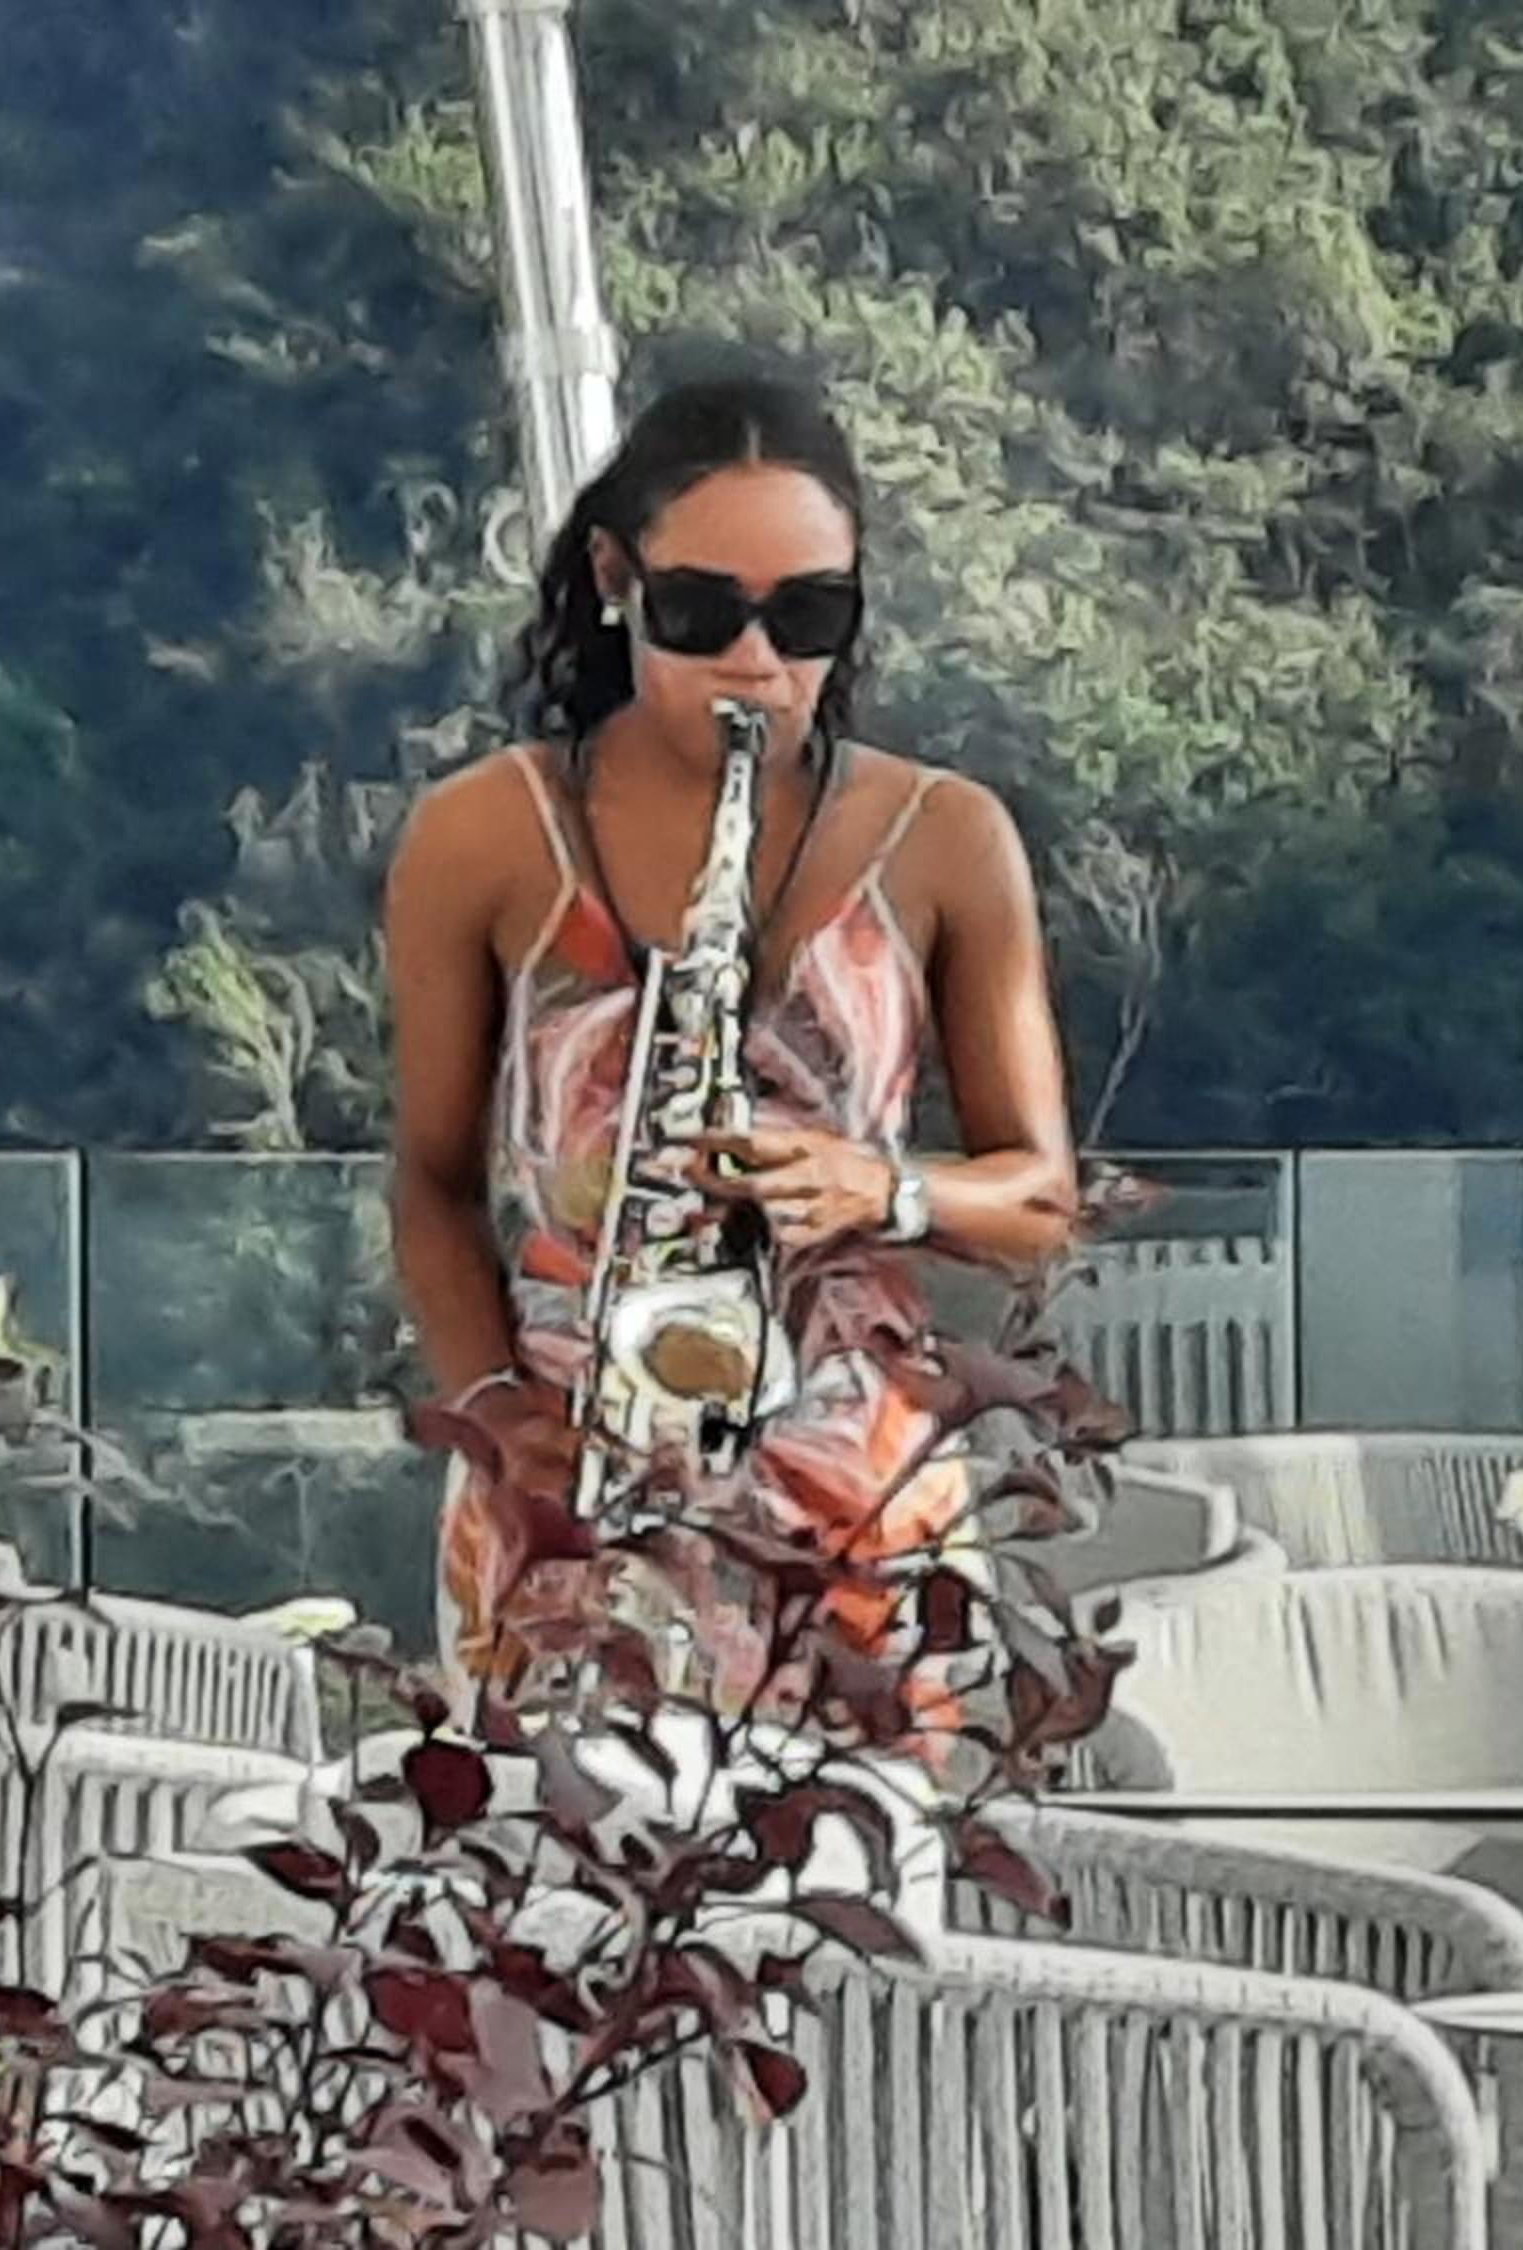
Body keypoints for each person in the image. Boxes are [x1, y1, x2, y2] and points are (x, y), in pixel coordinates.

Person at [384, 372, 1078, 1713]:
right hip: (568, 1497)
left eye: (809, 617)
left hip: (857, 1504)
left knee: (879, 1853)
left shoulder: (949, 837)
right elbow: (429, 1181)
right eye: (702, 613)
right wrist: (494, 1409)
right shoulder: (478, 836)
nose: (758, 662)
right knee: (556, 1850)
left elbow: (1042, 1202)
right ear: (614, 580)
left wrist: (882, 1188)